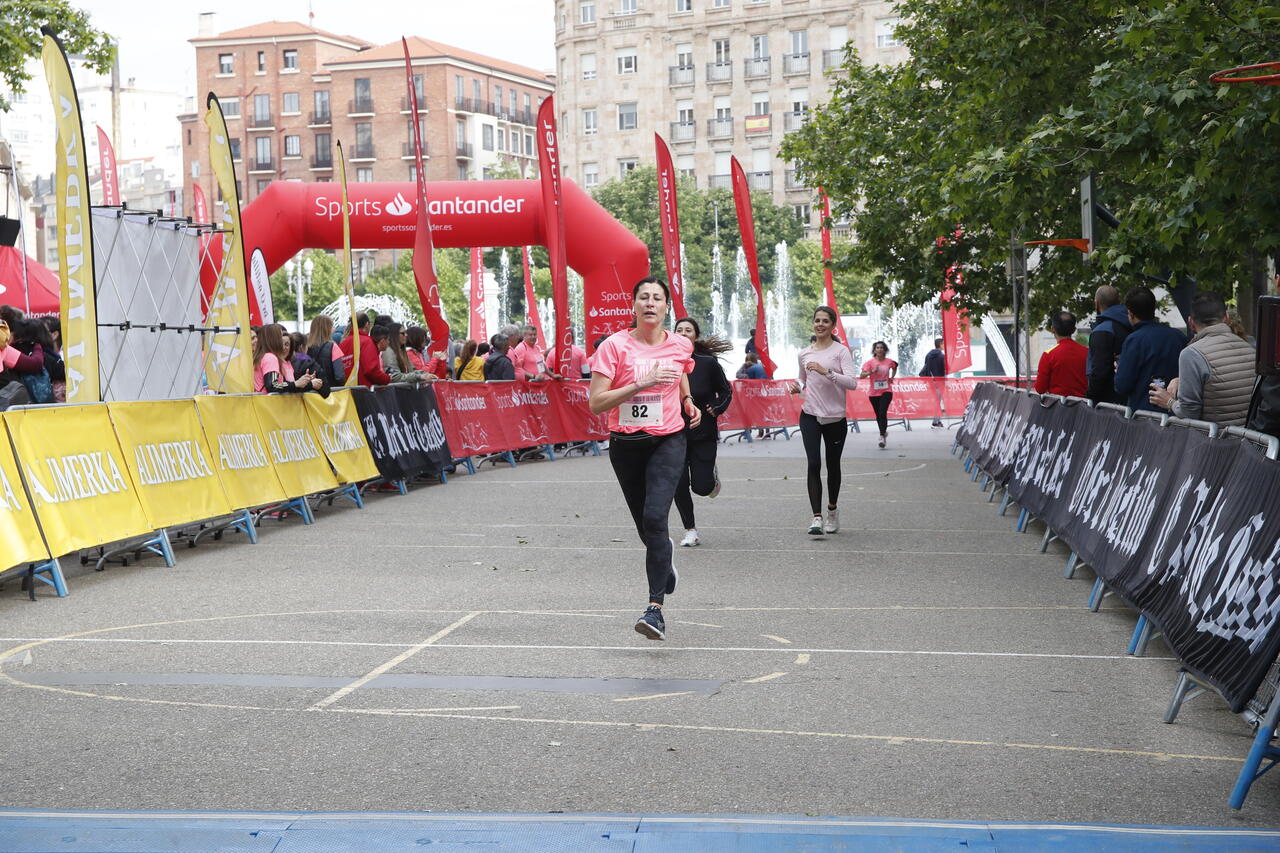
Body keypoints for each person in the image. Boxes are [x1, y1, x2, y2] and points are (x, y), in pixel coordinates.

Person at [589, 277, 700, 641]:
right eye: (644, 298)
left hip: (668, 439)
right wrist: (641, 383)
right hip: (626, 444)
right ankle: (665, 567)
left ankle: (655, 610)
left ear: (667, 307)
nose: (650, 303)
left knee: (656, 518)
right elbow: (596, 403)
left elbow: (681, 372)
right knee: (646, 527)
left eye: (657, 298)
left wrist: (687, 401)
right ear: (634, 305)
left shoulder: (680, 344)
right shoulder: (613, 347)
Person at [791, 306, 859, 535]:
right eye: (817, 320)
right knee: (813, 464)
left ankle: (831, 510)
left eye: (825, 321)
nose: (820, 324)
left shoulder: (841, 352)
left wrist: (826, 372)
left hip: (835, 418)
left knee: (832, 465)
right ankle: (816, 517)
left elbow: (852, 383)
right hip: (809, 414)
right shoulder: (804, 353)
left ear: (832, 325)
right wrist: (796, 387)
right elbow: (802, 381)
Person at [1148, 291, 1255, 426]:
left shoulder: (1192, 354)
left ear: (1191, 323)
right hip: (1252, 442)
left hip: (1216, 441)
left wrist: (1169, 402)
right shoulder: (1249, 347)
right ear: (1226, 318)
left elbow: (1189, 414)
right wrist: (1181, 380)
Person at [671, 317, 733, 547]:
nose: (684, 333)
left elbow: (726, 391)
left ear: (695, 337)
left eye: (688, 330)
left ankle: (711, 478)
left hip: (703, 431)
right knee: (678, 483)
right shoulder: (667, 362)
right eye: (679, 330)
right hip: (673, 433)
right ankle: (690, 530)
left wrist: (716, 409)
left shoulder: (708, 363)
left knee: (702, 487)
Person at [1113, 286, 1186, 412]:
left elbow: (1122, 385)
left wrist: (1120, 371)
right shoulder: (1178, 336)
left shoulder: (1134, 340)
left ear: (1130, 314)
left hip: (1144, 416)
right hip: (1176, 415)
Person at [1086, 285, 1132, 404]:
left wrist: (1090, 395)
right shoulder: (1133, 324)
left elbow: (1099, 370)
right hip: (1131, 397)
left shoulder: (1102, 330)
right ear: (1119, 301)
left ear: (1096, 303)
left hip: (1108, 401)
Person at [254, 323, 322, 394]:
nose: (281, 340)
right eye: (279, 336)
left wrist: (303, 382)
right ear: (272, 339)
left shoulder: (261, 356)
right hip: (269, 403)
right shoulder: (270, 358)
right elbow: (273, 385)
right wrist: (296, 383)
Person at [1034, 311, 1088, 398]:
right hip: (1084, 407)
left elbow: (1040, 388)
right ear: (1074, 330)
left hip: (1058, 407)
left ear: (1053, 329)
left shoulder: (1048, 355)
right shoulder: (1087, 352)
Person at [859, 341, 897, 448]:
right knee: (878, 415)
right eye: (877, 348)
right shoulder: (870, 363)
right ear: (874, 350)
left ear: (885, 350)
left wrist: (892, 377)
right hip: (873, 393)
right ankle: (883, 433)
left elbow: (895, 366)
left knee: (882, 412)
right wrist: (871, 372)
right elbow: (862, 376)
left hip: (886, 391)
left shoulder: (889, 361)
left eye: (881, 348)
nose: (879, 349)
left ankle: (881, 435)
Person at [341, 315, 393, 388]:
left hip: (347, 391)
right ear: (367, 324)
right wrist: (386, 378)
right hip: (364, 391)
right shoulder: (367, 342)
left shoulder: (343, 343)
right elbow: (371, 370)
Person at [306, 315, 346, 386]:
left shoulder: (305, 347)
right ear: (327, 329)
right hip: (330, 391)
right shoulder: (333, 347)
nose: (334, 329)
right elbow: (340, 376)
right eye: (332, 326)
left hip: (310, 392)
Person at [919, 336, 946, 428]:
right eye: (943, 343)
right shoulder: (942, 356)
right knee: (938, 401)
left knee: (936, 400)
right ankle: (936, 421)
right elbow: (944, 368)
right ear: (940, 344)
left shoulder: (929, 354)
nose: (944, 345)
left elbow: (926, 366)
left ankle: (937, 420)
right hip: (940, 380)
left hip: (931, 380)